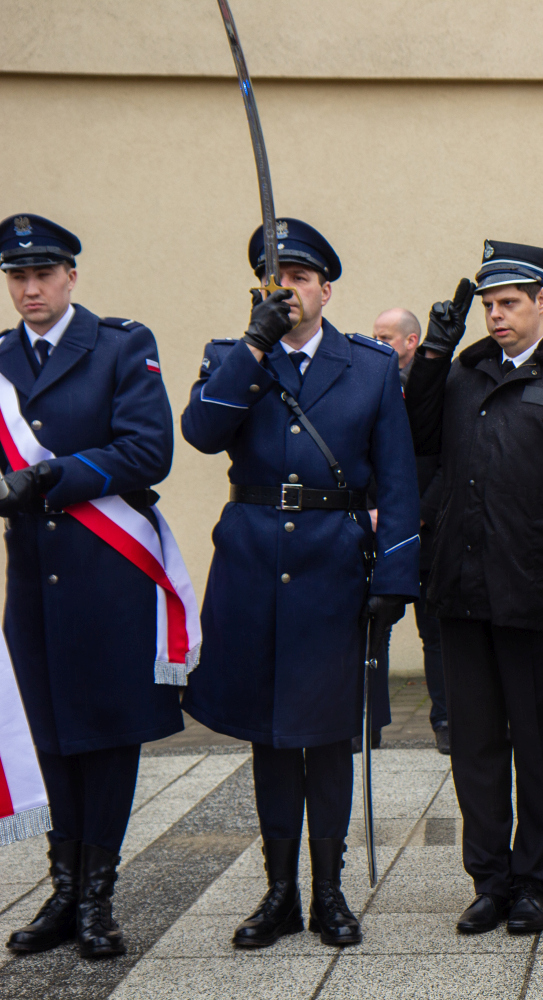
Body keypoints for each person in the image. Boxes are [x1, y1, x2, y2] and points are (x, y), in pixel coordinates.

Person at [181, 218, 419, 949]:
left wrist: (396, 575)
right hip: (254, 570)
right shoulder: (233, 358)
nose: (286, 291)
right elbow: (201, 433)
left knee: (329, 735)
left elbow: (399, 481)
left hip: (334, 571)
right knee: (271, 738)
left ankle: (328, 893)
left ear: (325, 290)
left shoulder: (369, 366)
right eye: (273, 280)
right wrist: (253, 347)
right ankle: (279, 892)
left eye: (299, 279)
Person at [404, 242, 543, 936]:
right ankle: (489, 880)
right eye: (489, 305)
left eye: (509, 303)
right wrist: (433, 355)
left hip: (535, 591)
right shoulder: (465, 372)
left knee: (535, 746)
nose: (496, 316)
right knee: (474, 746)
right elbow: (418, 439)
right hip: (463, 587)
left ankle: (534, 882)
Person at [0, 214, 181, 959]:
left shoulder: (120, 346)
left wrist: (52, 475)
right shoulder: (0, 358)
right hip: (33, 584)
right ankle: (64, 892)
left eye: (43, 274)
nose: (30, 288)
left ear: (71, 277)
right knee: (48, 735)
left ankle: (99, 899)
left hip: (107, 574)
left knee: (106, 735)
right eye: (17, 276)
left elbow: (148, 450)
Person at [371, 307, 449, 753]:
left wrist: (418, 513)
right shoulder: (367, 384)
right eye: (375, 336)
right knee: (374, 630)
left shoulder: (439, 388)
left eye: (385, 337)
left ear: (411, 341)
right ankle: (369, 722)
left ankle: (446, 722)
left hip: (428, 531)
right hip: (379, 529)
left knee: (435, 633)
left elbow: (450, 458)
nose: (377, 343)